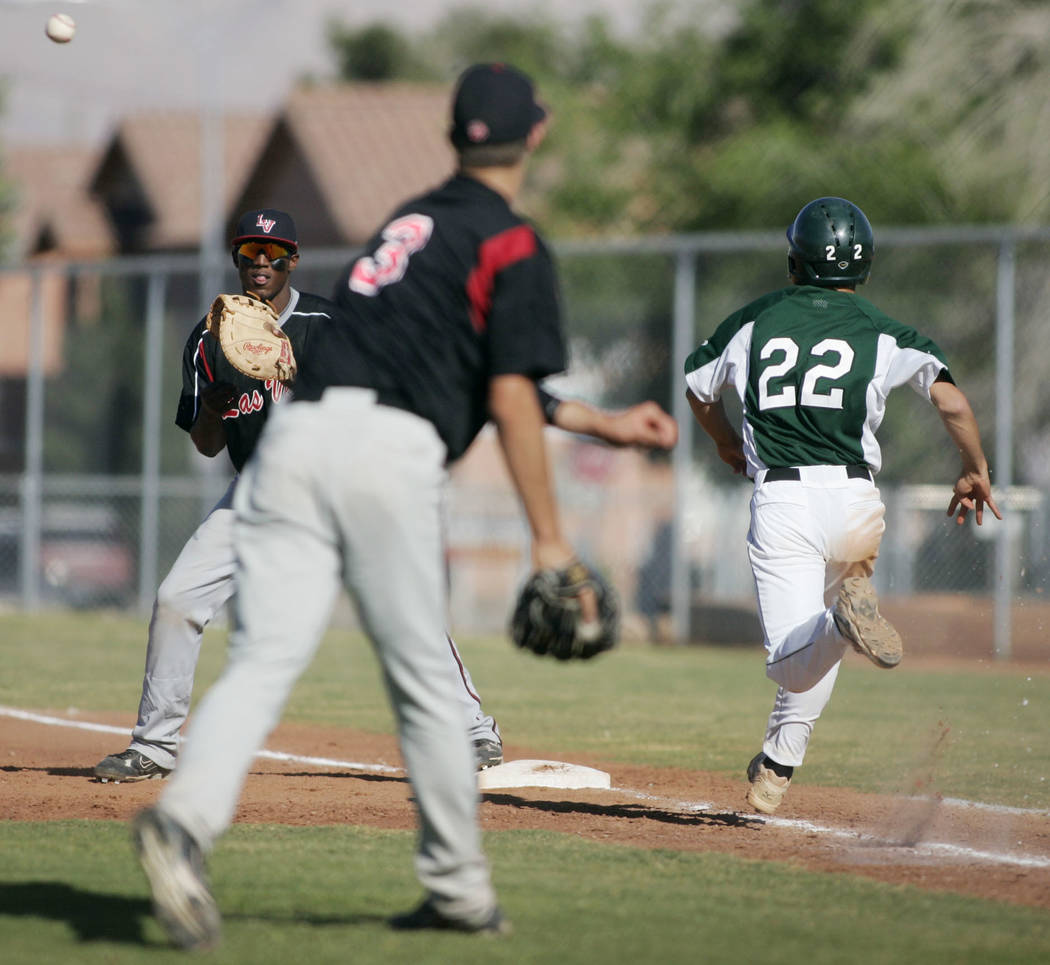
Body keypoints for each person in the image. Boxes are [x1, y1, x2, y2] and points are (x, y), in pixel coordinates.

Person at [131, 63, 675, 949]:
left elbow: (455, 366)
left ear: (451, 135)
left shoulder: (406, 224)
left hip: (295, 446)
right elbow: (506, 395)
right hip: (389, 455)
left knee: (264, 657)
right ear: (534, 137)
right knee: (423, 678)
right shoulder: (513, 243)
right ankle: (459, 889)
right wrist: (550, 541)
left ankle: (184, 821)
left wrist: (605, 426)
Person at [95, 207, 677, 786]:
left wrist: (296, 371)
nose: (262, 262)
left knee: (406, 606)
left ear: (294, 260)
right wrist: (222, 396)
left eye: (274, 253)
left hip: (343, 481)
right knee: (177, 599)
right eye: (250, 252)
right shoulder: (210, 335)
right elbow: (205, 442)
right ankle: (154, 745)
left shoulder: (331, 322)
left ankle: (473, 728)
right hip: (261, 490)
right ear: (237, 260)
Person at [683, 196, 1001, 816]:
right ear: (866, 265)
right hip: (857, 500)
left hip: (785, 500)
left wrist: (724, 440)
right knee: (817, 645)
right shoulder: (884, 329)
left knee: (794, 660)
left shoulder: (756, 319)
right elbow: (954, 405)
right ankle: (777, 767)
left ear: (793, 261)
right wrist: (973, 467)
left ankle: (842, 621)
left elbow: (698, 384)